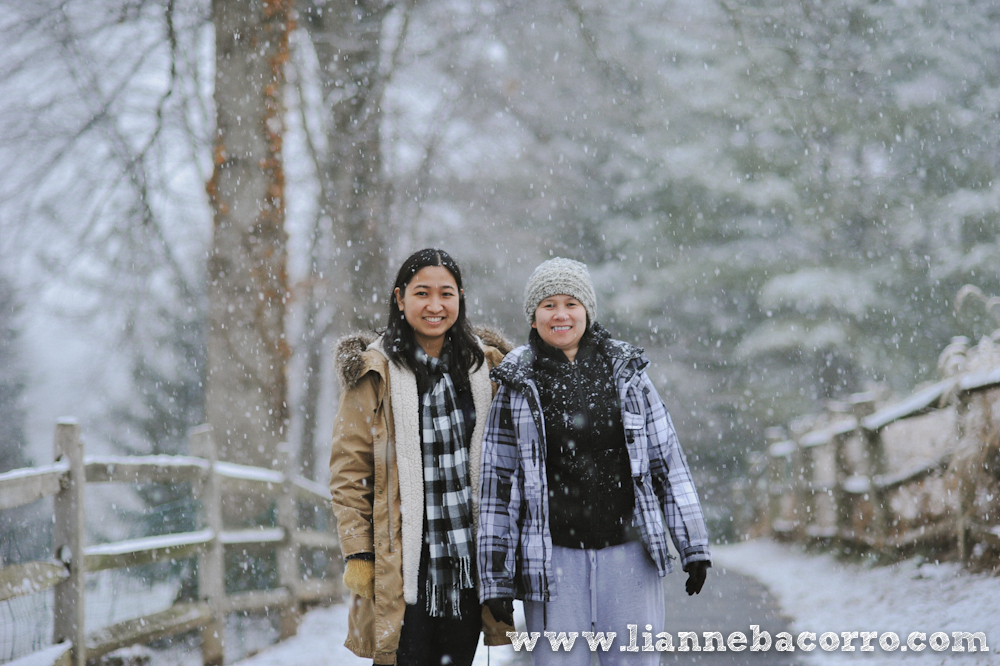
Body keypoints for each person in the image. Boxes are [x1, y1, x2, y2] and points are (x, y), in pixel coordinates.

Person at [477, 257, 712, 665]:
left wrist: (693, 545)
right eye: (548, 305)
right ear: (533, 317)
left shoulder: (627, 372)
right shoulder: (517, 381)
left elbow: (667, 461)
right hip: (553, 561)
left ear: (587, 310)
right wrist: (496, 576)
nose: (561, 314)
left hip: (629, 554)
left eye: (571, 303)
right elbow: (497, 482)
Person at [329, 248, 513, 666]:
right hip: (400, 563)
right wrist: (358, 552)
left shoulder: (486, 369)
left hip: (467, 564)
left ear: (460, 298)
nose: (435, 305)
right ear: (400, 298)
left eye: (446, 294)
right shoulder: (373, 373)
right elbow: (349, 471)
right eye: (422, 293)